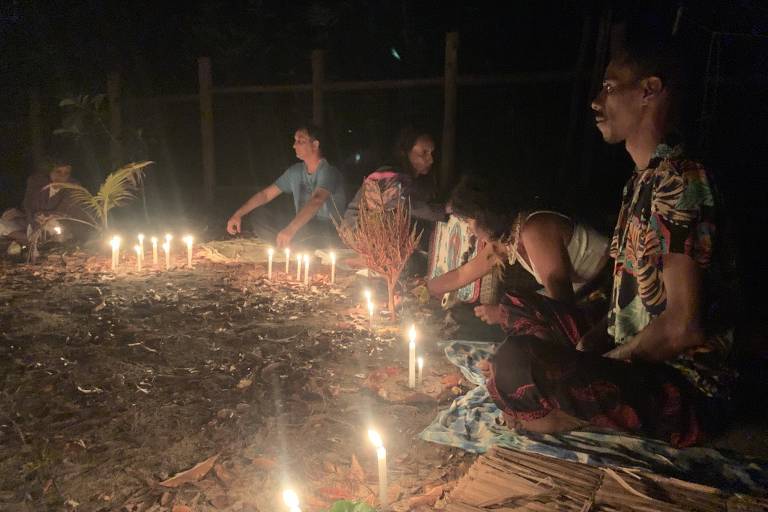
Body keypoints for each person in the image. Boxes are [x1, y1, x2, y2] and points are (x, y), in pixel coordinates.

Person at [487, 26, 737, 447]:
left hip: (684, 388)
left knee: (514, 364)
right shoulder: (641, 183)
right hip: (632, 357)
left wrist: (600, 362)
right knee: (517, 311)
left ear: (649, 90)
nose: (596, 101)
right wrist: (591, 343)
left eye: (608, 87)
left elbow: (684, 326)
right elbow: (623, 301)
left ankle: (568, 416)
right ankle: (575, 401)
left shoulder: (684, 181)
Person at [427, 174, 610, 324]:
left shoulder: (534, 231)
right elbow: (463, 274)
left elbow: (564, 310)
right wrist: (424, 289)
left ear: (483, 214)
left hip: (610, 290)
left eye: (467, 221)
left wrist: (506, 314)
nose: (469, 231)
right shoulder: (509, 237)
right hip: (588, 296)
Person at [226, 124, 346, 248]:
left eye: (300, 141)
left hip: (326, 230)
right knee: (260, 216)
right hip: (302, 228)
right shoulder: (295, 171)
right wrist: (238, 214)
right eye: (295, 141)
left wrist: (290, 229)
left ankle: (294, 244)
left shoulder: (329, 172)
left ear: (315, 145)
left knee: (305, 232)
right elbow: (265, 195)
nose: (294, 145)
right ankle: (289, 244)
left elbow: (317, 200)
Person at [343, 127, 445, 227]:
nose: (431, 160)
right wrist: (443, 210)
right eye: (424, 153)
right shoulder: (388, 177)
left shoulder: (413, 180)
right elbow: (404, 204)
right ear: (405, 152)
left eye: (432, 153)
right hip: (358, 232)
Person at [0, 157, 82, 253]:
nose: (62, 176)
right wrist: (19, 213)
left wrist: (45, 215)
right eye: (58, 172)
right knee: (4, 221)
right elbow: (28, 205)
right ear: (50, 172)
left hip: (55, 223)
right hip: (30, 220)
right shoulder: (37, 181)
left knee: (54, 230)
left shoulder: (73, 186)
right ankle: (30, 240)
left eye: (66, 173)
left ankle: (29, 241)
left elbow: (66, 210)